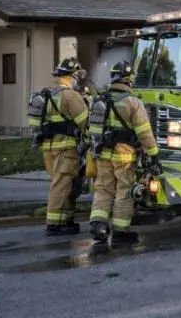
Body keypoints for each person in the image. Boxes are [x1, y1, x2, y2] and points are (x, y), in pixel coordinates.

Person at [88, 60, 162, 245]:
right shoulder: (133, 102)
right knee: (124, 191)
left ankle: (98, 226)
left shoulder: (100, 100)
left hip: (103, 152)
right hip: (125, 155)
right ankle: (120, 232)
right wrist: (154, 156)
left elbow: (91, 128)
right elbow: (144, 133)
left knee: (103, 188)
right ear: (129, 79)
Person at [26, 57, 90, 236]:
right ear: (72, 76)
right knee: (61, 186)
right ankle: (53, 224)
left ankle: (65, 220)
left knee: (64, 184)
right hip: (65, 149)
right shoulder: (70, 95)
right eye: (77, 77)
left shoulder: (49, 94)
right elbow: (86, 122)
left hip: (49, 149)